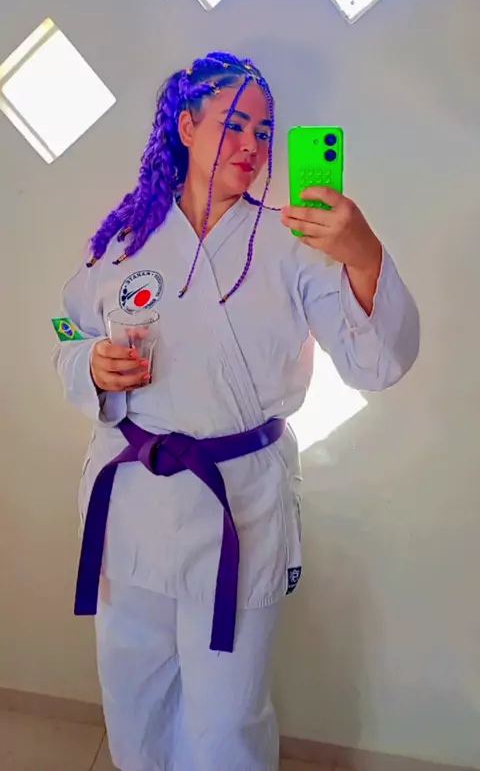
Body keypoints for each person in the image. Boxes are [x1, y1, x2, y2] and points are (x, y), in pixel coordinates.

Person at [53, 51, 419, 771]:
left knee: (228, 719)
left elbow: (376, 364)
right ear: (187, 127)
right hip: (131, 502)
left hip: (237, 510)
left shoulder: (294, 243)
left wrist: (364, 255)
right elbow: (68, 325)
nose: (252, 145)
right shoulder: (127, 239)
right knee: (133, 694)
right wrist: (89, 363)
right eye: (234, 125)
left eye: (264, 130)